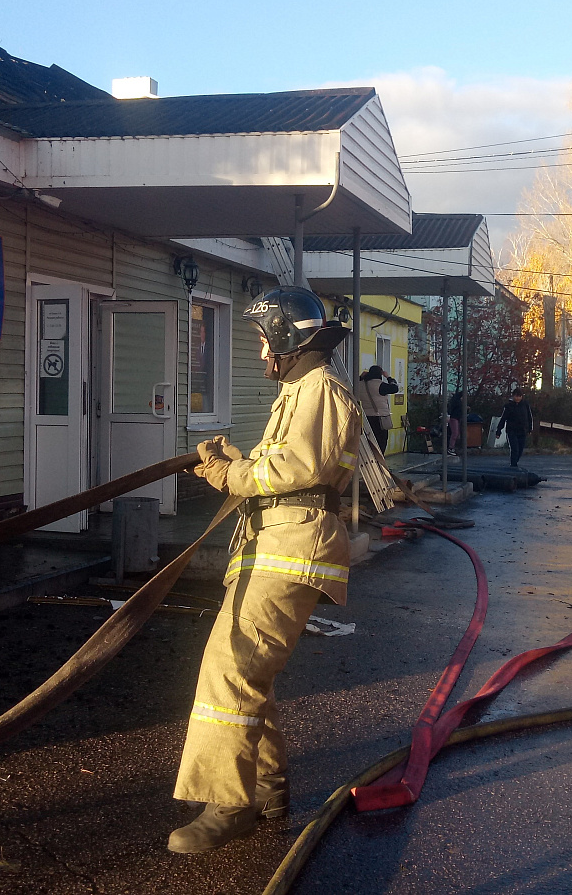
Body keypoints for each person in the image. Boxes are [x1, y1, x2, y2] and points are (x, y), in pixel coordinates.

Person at [169, 286, 361, 854]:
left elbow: (290, 468)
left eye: (261, 340)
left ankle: (231, 803)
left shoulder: (320, 390)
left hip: (292, 549)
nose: (259, 355)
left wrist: (234, 474)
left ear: (284, 338)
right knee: (250, 674)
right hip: (277, 545)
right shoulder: (304, 391)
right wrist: (231, 465)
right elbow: (283, 467)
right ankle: (268, 791)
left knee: (228, 668)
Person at [355, 364, 398, 451]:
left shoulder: (360, 385)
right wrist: (388, 377)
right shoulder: (380, 385)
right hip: (380, 418)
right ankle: (379, 461)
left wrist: (360, 377)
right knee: (380, 442)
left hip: (366, 417)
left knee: (368, 441)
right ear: (380, 374)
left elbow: (353, 386)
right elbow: (395, 388)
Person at [493, 387, 536, 468]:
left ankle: (515, 462)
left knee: (520, 449)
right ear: (513, 396)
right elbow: (503, 419)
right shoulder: (508, 407)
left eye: (519, 396)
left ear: (521, 396)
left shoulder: (525, 405)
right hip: (512, 431)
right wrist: (498, 431)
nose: (517, 398)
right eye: (516, 396)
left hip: (522, 430)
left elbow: (529, 417)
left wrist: (530, 428)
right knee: (514, 448)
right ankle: (513, 465)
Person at [447, 388, 464, 455]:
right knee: (455, 433)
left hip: (456, 418)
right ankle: (451, 448)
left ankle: (452, 447)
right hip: (454, 418)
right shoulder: (457, 401)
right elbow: (451, 408)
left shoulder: (458, 401)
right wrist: (449, 415)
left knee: (456, 433)